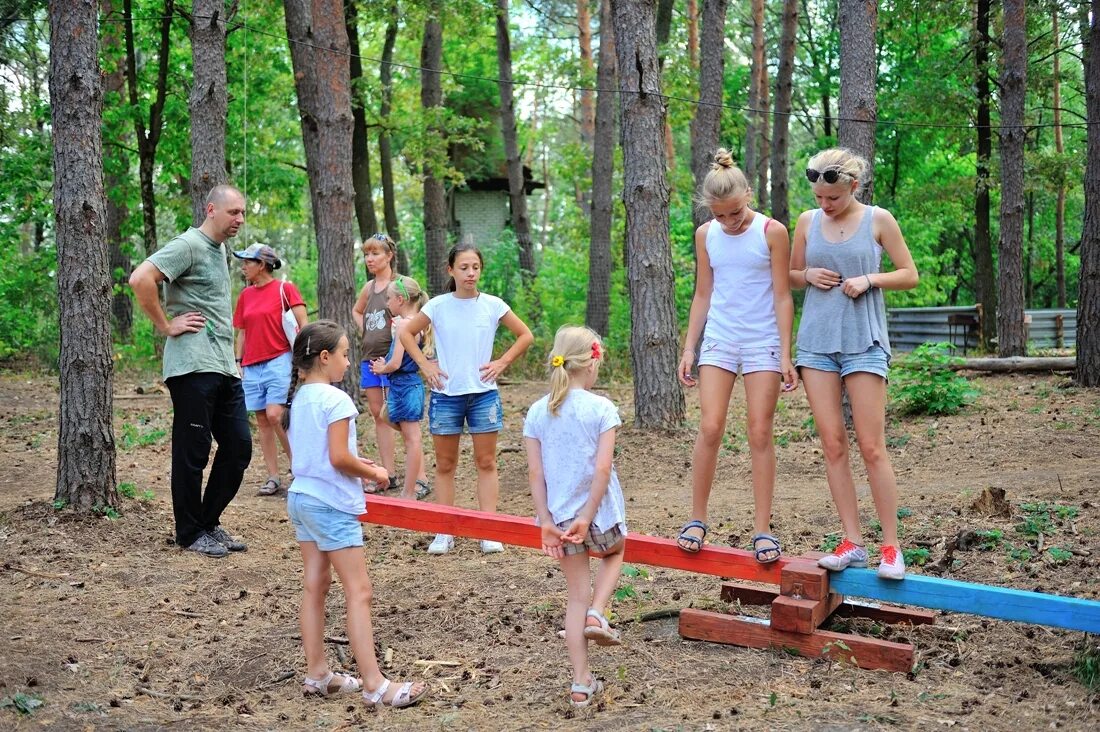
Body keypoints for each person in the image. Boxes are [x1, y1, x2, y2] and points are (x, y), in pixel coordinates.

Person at [282, 320, 429, 709]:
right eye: (345, 354)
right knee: (359, 591)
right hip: (329, 506)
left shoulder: (301, 398)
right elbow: (338, 457)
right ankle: (375, 684)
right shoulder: (337, 400)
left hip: (302, 499)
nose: (349, 362)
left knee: (315, 586)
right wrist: (376, 471)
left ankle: (318, 674)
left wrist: (353, 462)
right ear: (325, 357)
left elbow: (317, 456)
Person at [789, 147, 919, 580]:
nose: (824, 205)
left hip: (864, 341)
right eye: (819, 198)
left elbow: (909, 274)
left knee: (871, 446)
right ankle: (852, 541)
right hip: (816, 345)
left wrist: (870, 279)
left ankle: (891, 547)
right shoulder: (807, 222)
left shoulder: (878, 220)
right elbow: (788, 275)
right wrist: (807, 275)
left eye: (833, 198)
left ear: (853, 187)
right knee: (832, 444)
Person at [675, 149, 798, 562]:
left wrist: (785, 353)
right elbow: (703, 293)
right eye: (720, 215)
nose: (729, 221)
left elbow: (783, 296)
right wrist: (689, 346)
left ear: (748, 193)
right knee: (710, 426)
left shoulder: (772, 231)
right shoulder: (705, 235)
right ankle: (696, 518)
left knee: (759, 431)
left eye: (735, 212)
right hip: (721, 338)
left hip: (762, 337)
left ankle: (762, 528)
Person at [129, 185, 252, 559]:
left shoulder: (220, 251)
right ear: (211, 209)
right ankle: (188, 532)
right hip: (191, 366)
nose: (240, 220)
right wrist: (166, 326)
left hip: (223, 366)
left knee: (238, 447)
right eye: (233, 212)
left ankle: (208, 522)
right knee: (193, 451)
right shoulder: (188, 244)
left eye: (243, 213)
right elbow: (140, 279)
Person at [398, 242, 534, 555]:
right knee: (445, 464)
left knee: (486, 462)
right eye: (463, 268)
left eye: (475, 267)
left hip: (483, 394)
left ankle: (488, 530)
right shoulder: (438, 306)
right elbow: (406, 334)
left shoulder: (492, 304)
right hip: (447, 395)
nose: (470, 274)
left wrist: (502, 362)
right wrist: (425, 364)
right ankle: (445, 531)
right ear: (451, 270)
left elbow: (525, 335)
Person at [524, 326, 626, 709]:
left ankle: (581, 683)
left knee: (574, 596)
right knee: (616, 553)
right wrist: (588, 515)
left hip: (560, 520)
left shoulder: (537, 411)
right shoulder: (602, 408)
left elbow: (535, 474)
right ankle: (598, 614)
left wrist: (546, 520)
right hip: (598, 515)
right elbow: (602, 470)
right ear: (592, 361)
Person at [231, 243, 308, 496]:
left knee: (275, 414)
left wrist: (306, 362)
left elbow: (303, 326)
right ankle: (273, 476)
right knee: (263, 420)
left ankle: (300, 471)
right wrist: (238, 362)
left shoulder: (285, 289)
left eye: (247, 262)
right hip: (251, 366)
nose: (243, 267)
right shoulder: (245, 295)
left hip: (280, 360)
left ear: (261, 265)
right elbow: (241, 332)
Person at [369, 275, 432, 501]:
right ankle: (412, 486)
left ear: (400, 300)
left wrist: (380, 368)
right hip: (407, 386)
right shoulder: (419, 322)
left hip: (405, 386)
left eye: (388, 299)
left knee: (412, 439)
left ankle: (409, 491)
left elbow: (395, 363)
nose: (386, 304)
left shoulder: (406, 324)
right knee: (410, 437)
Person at [352, 233, 399, 493]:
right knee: (378, 414)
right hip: (370, 359)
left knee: (398, 415)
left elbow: (415, 314)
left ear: (389, 255)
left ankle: (420, 474)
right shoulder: (368, 288)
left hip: (393, 360)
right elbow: (357, 310)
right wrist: (365, 331)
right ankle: (388, 473)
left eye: (375, 253)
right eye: (367, 254)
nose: (370, 259)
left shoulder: (400, 285)